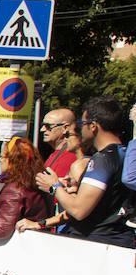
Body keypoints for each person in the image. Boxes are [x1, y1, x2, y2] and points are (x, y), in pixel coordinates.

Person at [32, 97, 133, 247]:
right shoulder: (126, 154)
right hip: (118, 240)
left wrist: (54, 186)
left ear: (93, 126)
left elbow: (79, 210)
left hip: (95, 242)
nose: (78, 130)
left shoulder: (102, 160)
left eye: (81, 124)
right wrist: (73, 190)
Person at [39, 108, 77, 182]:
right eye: (42, 125)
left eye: (48, 126)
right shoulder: (56, 154)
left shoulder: (69, 157)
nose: (42, 129)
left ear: (65, 128)